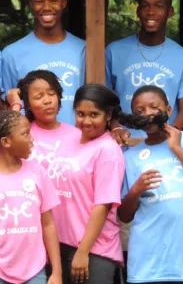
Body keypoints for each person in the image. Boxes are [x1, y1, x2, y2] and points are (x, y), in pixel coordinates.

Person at [117, 86, 183, 284]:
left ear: (168, 110)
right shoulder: (130, 156)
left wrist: (176, 148)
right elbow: (124, 215)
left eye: (153, 107)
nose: (147, 114)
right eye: (139, 111)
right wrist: (136, 190)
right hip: (148, 267)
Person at [42, 84, 126, 284]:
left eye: (94, 115)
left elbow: (103, 206)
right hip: (61, 244)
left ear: (107, 116)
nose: (86, 121)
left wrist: (83, 252)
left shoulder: (108, 151)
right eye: (80, 114)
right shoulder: (68, 141)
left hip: (93, 251)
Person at [0, 110, 62, 284]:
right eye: (25, 134)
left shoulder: (38, 172)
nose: (32, 139)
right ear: (6, 142)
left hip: (34, 270)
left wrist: (57, 272)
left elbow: (48, 223)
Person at [105, 0, 183, 142]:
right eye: (145, 6)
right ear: (138, 11)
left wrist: (167, 135)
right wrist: (115, 127)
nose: (151, 12)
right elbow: (104, 99)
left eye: (159, 6)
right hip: (124, 142)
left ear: (169, 12)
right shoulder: (114, 51)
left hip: (165, 144)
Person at [1, 0, 85, 126]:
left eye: (53, 1)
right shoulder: (12, 53)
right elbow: (7, 105)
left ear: (64, 3)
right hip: (31, 144)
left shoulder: (84, 50)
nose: (46, 7)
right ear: (31, 4)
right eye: (39, 1)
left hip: (78, 143)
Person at [7, 70, 81, 180]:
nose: (47, 100)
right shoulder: (22, 135)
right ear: (28, 105)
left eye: (51, 94)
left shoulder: (78, 135)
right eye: (38, 97)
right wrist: (16, 105)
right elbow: (7, 136)